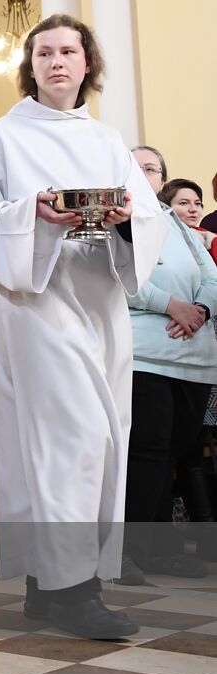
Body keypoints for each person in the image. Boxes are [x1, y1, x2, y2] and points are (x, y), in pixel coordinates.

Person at [0, 14, 165, 640]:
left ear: (87, 63)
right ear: (31, 65)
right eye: (43, 52)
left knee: (102, 439)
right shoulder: (2, 137)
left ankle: (48, 586)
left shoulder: (107, 141)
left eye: (68, 51)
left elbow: (146, 221)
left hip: (100, 304)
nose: (56, 62)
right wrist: (37, 216)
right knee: (67, 437)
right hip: (38, 304)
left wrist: (126, 218)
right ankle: (75, 590)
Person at [119, 170, 217, 582]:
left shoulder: (171, 217)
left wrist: (202, 308)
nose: (146, 175)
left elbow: (210, 273)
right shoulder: (117, 216)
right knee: (147, 453)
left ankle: (160, 550)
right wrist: (170, 305)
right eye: (137, 167)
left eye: (152, 169)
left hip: (193, 354)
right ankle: (128, 554)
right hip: (146, 352)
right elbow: (116, 277)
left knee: (173, 453)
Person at [163, 177, 217, 260]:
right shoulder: (159, 238)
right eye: (183, 203)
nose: (193, 209)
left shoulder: (210, 239)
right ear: (166, 207)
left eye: (197, 203)